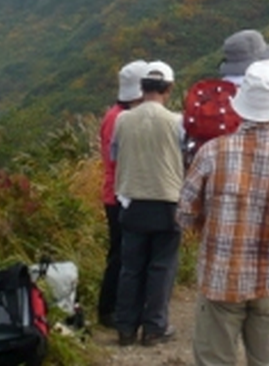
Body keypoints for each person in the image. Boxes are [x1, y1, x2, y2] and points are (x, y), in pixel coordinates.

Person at [177, 59, 269, 366]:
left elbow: (185, 214)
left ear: (242, 106)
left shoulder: (212, 152)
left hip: (219, 276)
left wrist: (212, 226)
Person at [111, 60, 183, 346]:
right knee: (161, 266)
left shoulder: (122, 119)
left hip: (131, 199)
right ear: (168, 88)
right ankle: (154, 327)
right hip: (166, 199)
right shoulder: (177, 121)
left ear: (141, 88)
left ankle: (125, 327)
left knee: (131, 267)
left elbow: (115, 154)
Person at [97, 59, 148, 328]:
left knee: (121, 252)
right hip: (119, 194)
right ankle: (109, 310)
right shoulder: (120, 118)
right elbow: (118, 160)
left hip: (117, 192)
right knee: (120, 254)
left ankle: (115, 308)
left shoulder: (115, 114)